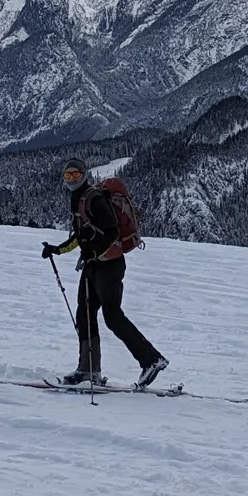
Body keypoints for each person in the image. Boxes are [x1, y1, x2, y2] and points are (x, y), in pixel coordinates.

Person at [42, 159, 167, 389]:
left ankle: (151, 360)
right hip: (95, 265)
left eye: (76, 174)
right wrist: (57, 250)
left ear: (84, 175)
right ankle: (88, 369)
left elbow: (111, 232)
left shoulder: (94, 199)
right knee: (85, 315)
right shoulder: (78, 200)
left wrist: (93, 252)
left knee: (112, 315)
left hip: (109, 265)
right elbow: (81, 236)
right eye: (67, 176)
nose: (72, 179)